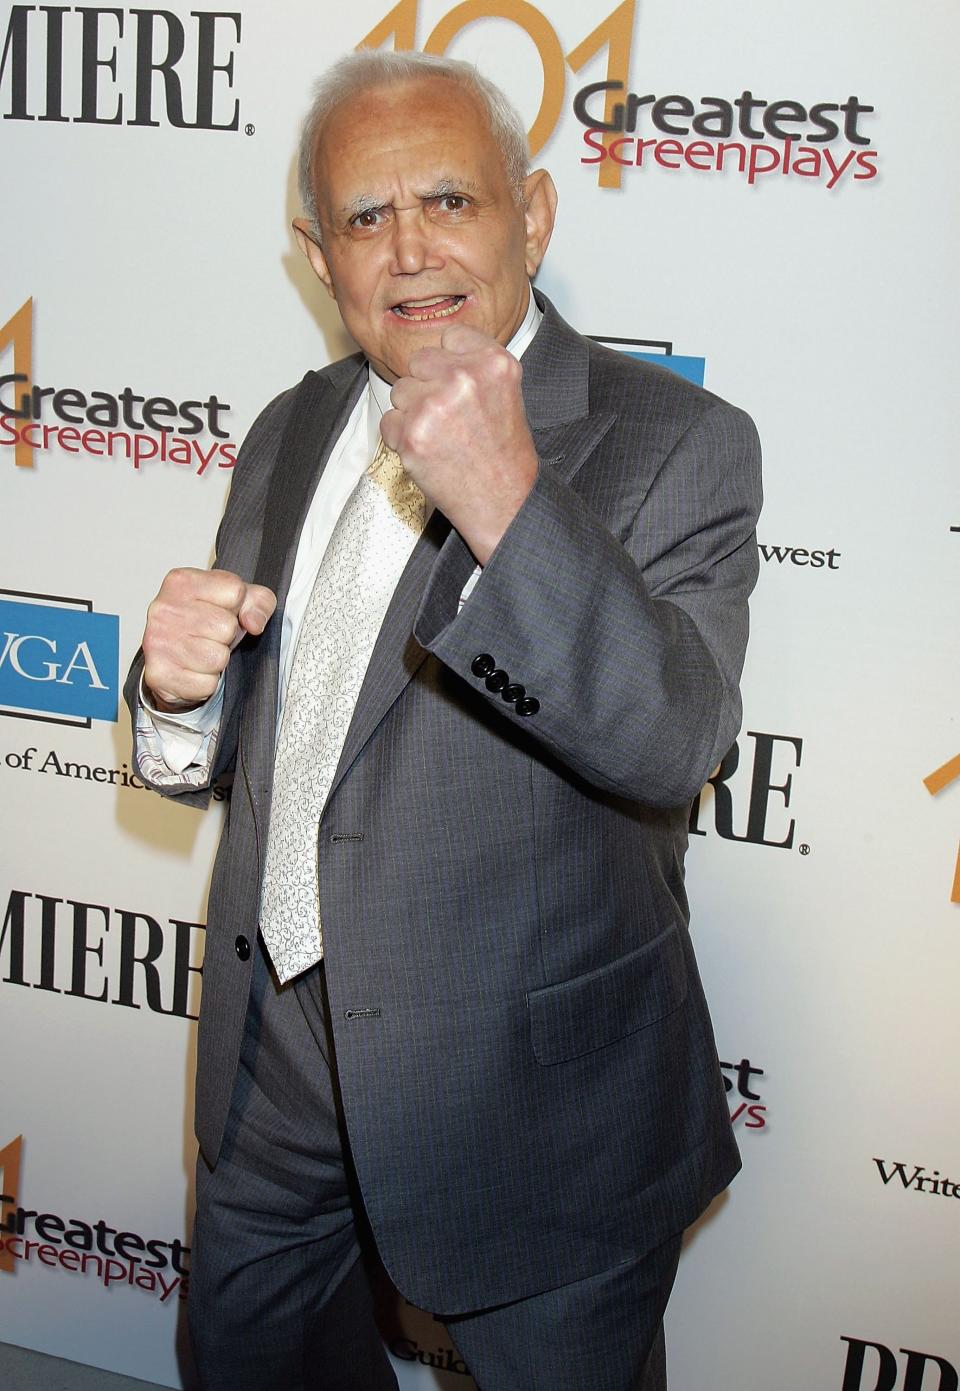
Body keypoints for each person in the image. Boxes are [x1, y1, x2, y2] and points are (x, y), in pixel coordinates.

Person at [126, 48, 762, 1391]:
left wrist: (508, 504)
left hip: (534, 1102)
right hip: (277, 1070)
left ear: (533, 213)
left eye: (451, 202)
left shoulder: (678, 442)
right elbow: (276, 749)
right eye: (365, 218)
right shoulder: (289, 430)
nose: (410, 250)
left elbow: (674, 740)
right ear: (316, 255)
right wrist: (175, 700)